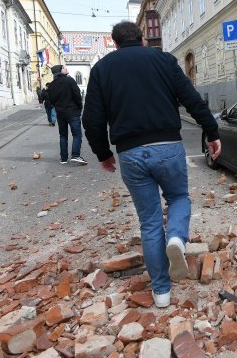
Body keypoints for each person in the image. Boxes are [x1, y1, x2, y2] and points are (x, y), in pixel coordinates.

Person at [82, 21, 221, 308]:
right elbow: (191, 99)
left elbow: (92, 119)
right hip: (167, 146)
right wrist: (211, 131)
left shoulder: (102, 69)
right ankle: (178, 240)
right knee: (179, 196)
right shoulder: (163, 60)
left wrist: (102, 154)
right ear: (143, 39)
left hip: (131, 153)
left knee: (149, 221)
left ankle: (161, 292)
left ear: (115, 43)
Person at [48, 64, 87, 165]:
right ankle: (75, 155)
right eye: (64, 68)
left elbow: (51, 100)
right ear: (60, 71)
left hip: (60, 113)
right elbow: (77, 95)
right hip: (72, 111)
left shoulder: (52, 85)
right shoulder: (69, 80)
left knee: (63, 135)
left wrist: (58, 106)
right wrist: (80, 107)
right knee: (77, 134)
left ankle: (63, 158)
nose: (66, 69)